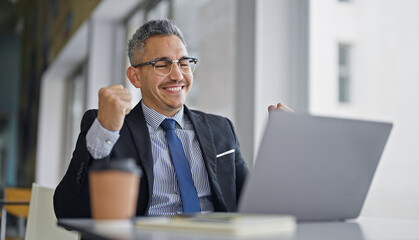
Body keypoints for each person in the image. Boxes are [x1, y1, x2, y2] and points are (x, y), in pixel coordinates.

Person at [54, 19, 290, 218]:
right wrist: (105, 131)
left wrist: (285, 151)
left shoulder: (221, 128)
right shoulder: (108, 126)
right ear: (135, 76)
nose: (177, 75)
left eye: (184, 63)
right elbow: (69, 210)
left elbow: (254, 206)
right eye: (163, 65)